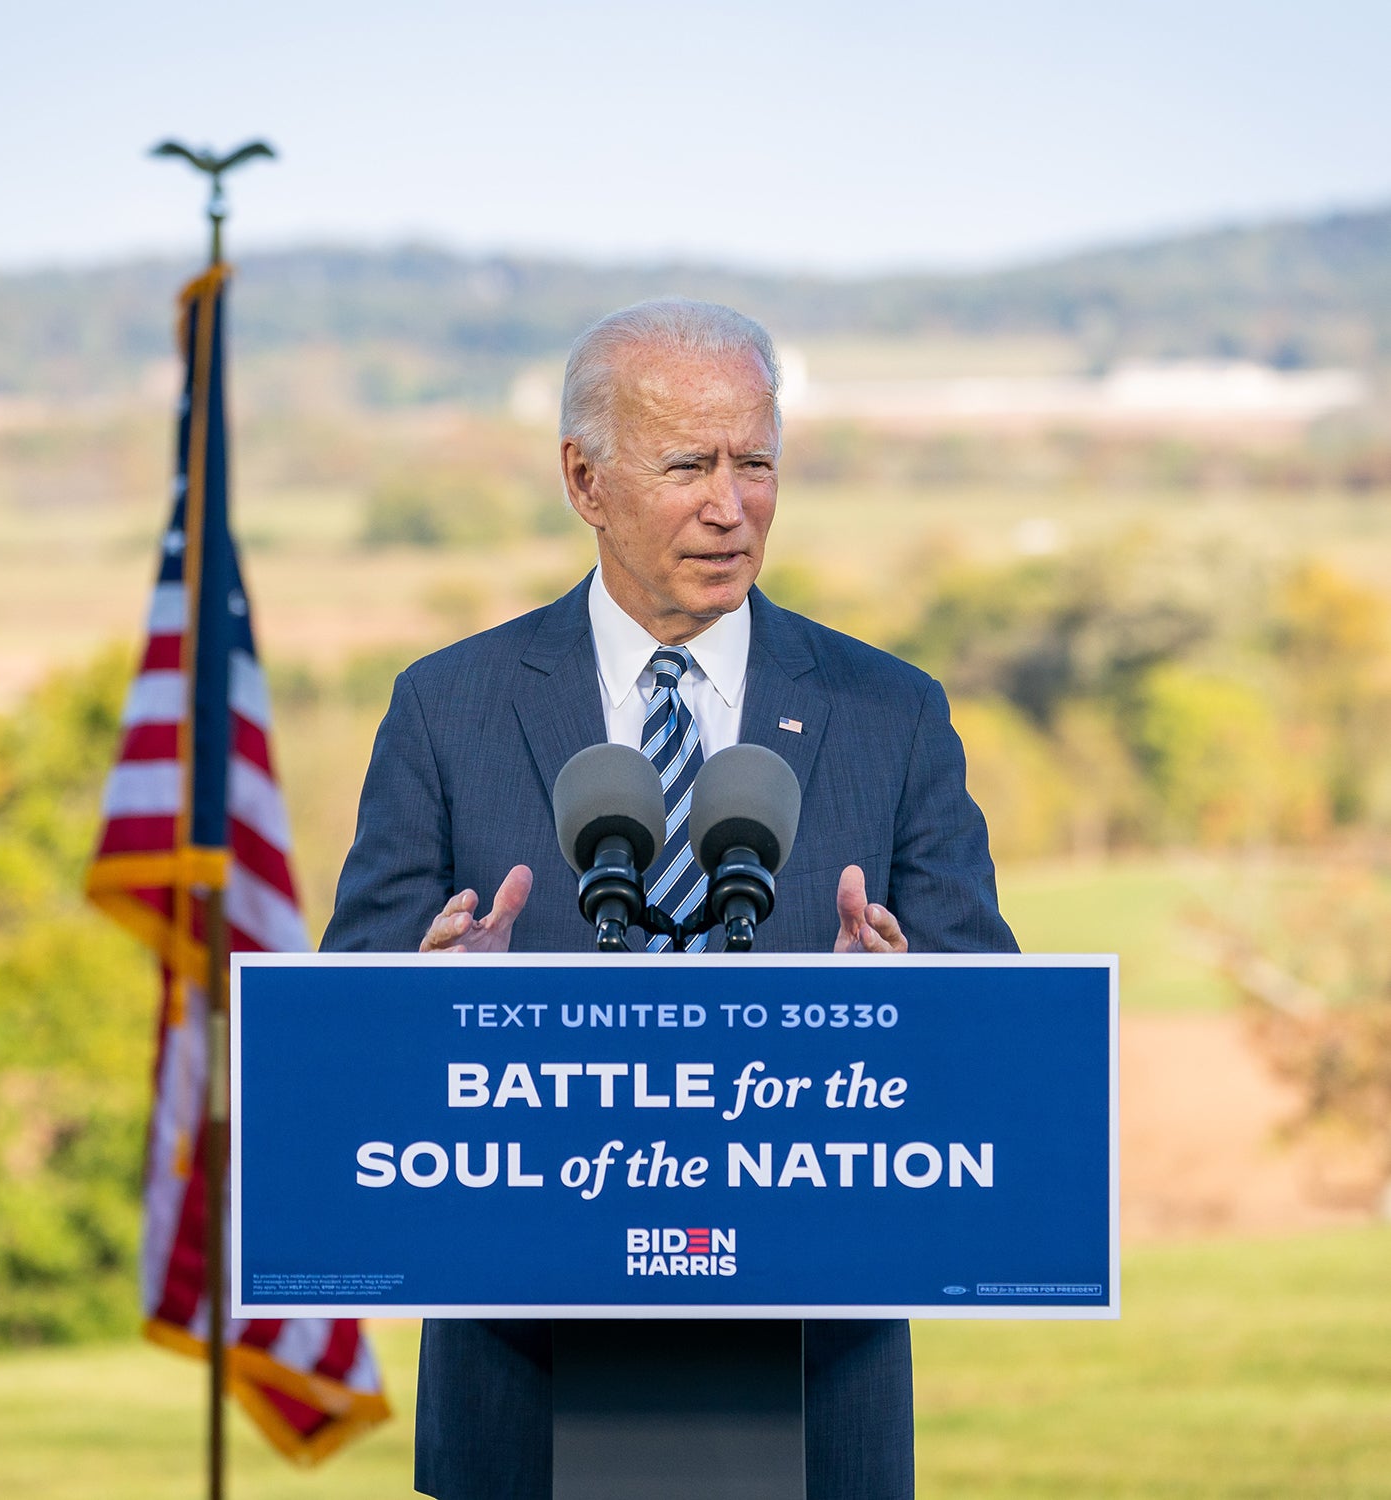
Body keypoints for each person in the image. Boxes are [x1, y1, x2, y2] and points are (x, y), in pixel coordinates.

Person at [323, 298, 1017, 1500]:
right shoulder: (449, 707)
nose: (729, 503)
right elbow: (338, 1052)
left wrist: (908, 1015)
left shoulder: (888, 710)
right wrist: (423, 1006)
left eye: (756, 463)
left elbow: (1000, 1044)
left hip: (817, 1386)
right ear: (583, 481)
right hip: (521, 1382)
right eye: (688, 464)